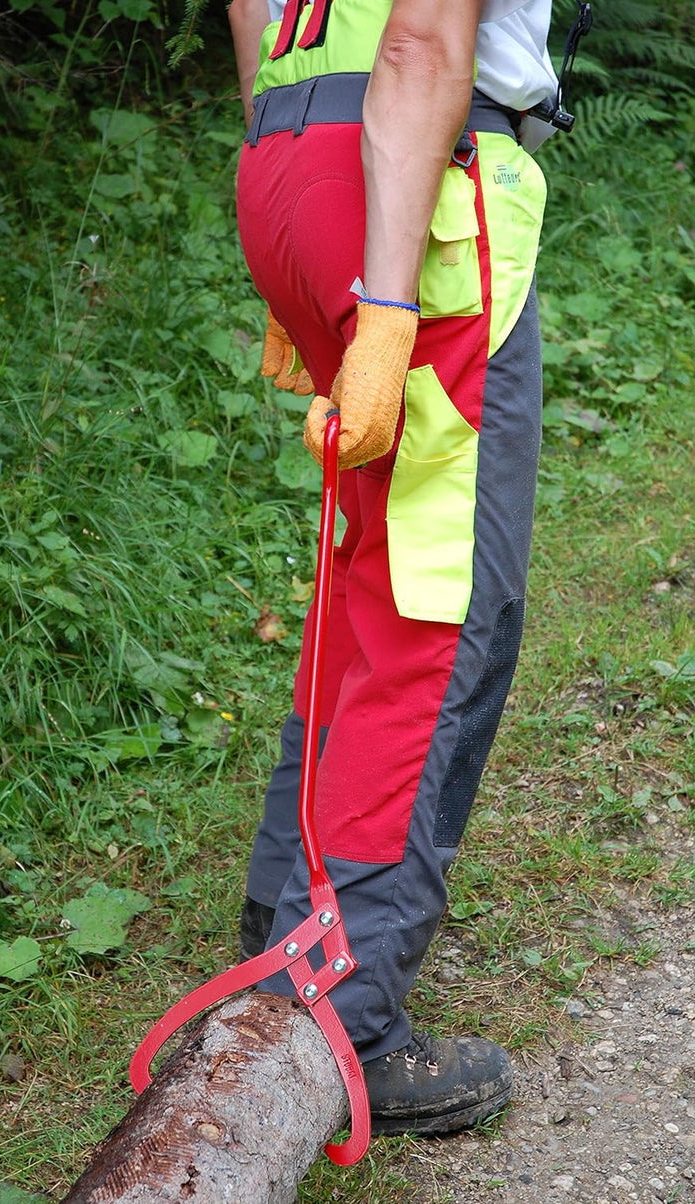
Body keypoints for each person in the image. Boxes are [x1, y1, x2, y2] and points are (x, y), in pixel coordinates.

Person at [228, 0, 558, 1137]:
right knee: (437, 609)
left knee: (366, 578)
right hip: (408, 172)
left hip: (289, 160)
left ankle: (285, 916)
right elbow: (421, 36)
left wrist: (301, 228)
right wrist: (384, 296)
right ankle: (338, 1009)